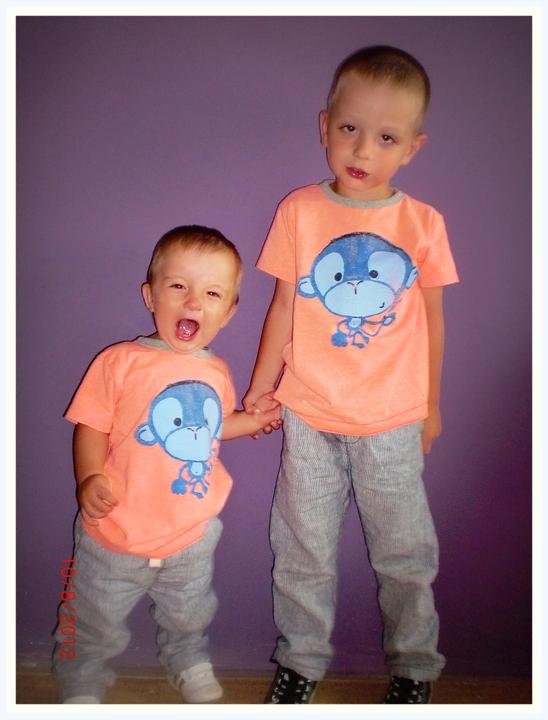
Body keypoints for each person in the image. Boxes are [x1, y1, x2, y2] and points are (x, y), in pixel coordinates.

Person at [243, 46, 459, 704]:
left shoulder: (423, 224)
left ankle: (414, 668)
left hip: (391, 421)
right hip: (309, 414)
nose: (363, 149)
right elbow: (283, 307)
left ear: (412, 148)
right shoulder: (299, 211)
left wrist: (431, 406)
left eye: (386, 137)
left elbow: (432, 323)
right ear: (324, 126)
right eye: (349, 128)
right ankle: (300, 662)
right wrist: (261, 386)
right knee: (301, 548)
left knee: (404, 554)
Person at [52, 225, 280, 704]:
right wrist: (89, 477)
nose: (194, 301)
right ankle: (80, 678)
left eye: (212, 293)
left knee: (189, 611)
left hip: (190, 531)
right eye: (178, 286)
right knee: (90, 616)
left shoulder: (217, 371)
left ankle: (188, 659)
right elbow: (90, 424)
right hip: (115, 530)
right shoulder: (119, 361)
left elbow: (212, 427)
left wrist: (255, 420)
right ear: (150, 296)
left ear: (229, 312)